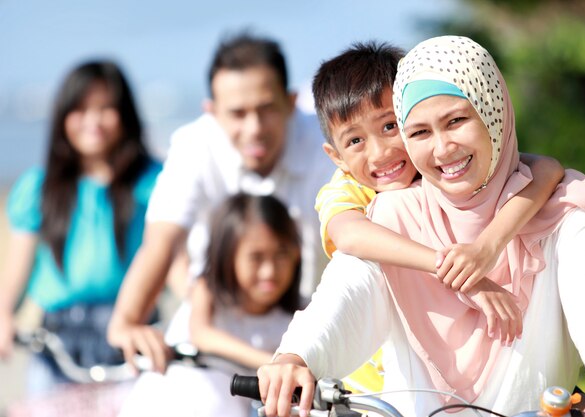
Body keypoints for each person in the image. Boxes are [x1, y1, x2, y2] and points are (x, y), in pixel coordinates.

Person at [257, 35, 585, 417]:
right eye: (419, 132)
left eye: (457, 121)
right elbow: (347, 289)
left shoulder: (564, 212)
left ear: (494, 111)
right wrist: (295, 356)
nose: (442, 148)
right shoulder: (391, 213)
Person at [311, 41, 563, 392]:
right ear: (335, 156)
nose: (380, 153)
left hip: (443, 370)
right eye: (355, 141)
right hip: (370, 382)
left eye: (389, 127)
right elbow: (350, 236)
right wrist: (463, 276)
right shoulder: (347, 188)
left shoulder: (440, 166)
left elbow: (547, 170)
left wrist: (488, 247)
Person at [107, 33, 335, 373]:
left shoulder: (325, 147)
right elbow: (161, 242)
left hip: (315, 329)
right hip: (218, 340)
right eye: (238, 113)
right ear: (211, 112)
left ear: (291, 102)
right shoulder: (193, 145)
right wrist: (127, 320)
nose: (254, 128)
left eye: (266, 109)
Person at [0, 60, 162, 396]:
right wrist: (3, 314)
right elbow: (17, 272)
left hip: (130, 331)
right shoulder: (38, 187)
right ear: (62, 118)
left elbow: (171, 255)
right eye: (80, 109)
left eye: (105, 109)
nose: (93, 121)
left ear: (126, 115)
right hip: (56, 340)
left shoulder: (152, 182)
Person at [117, 193, 301, 417]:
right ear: (228, 255)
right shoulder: (207, 289)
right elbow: (202, 334)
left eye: (281, 255)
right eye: (256, 257)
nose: (269, 271)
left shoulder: (299, 317)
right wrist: (276, 364)